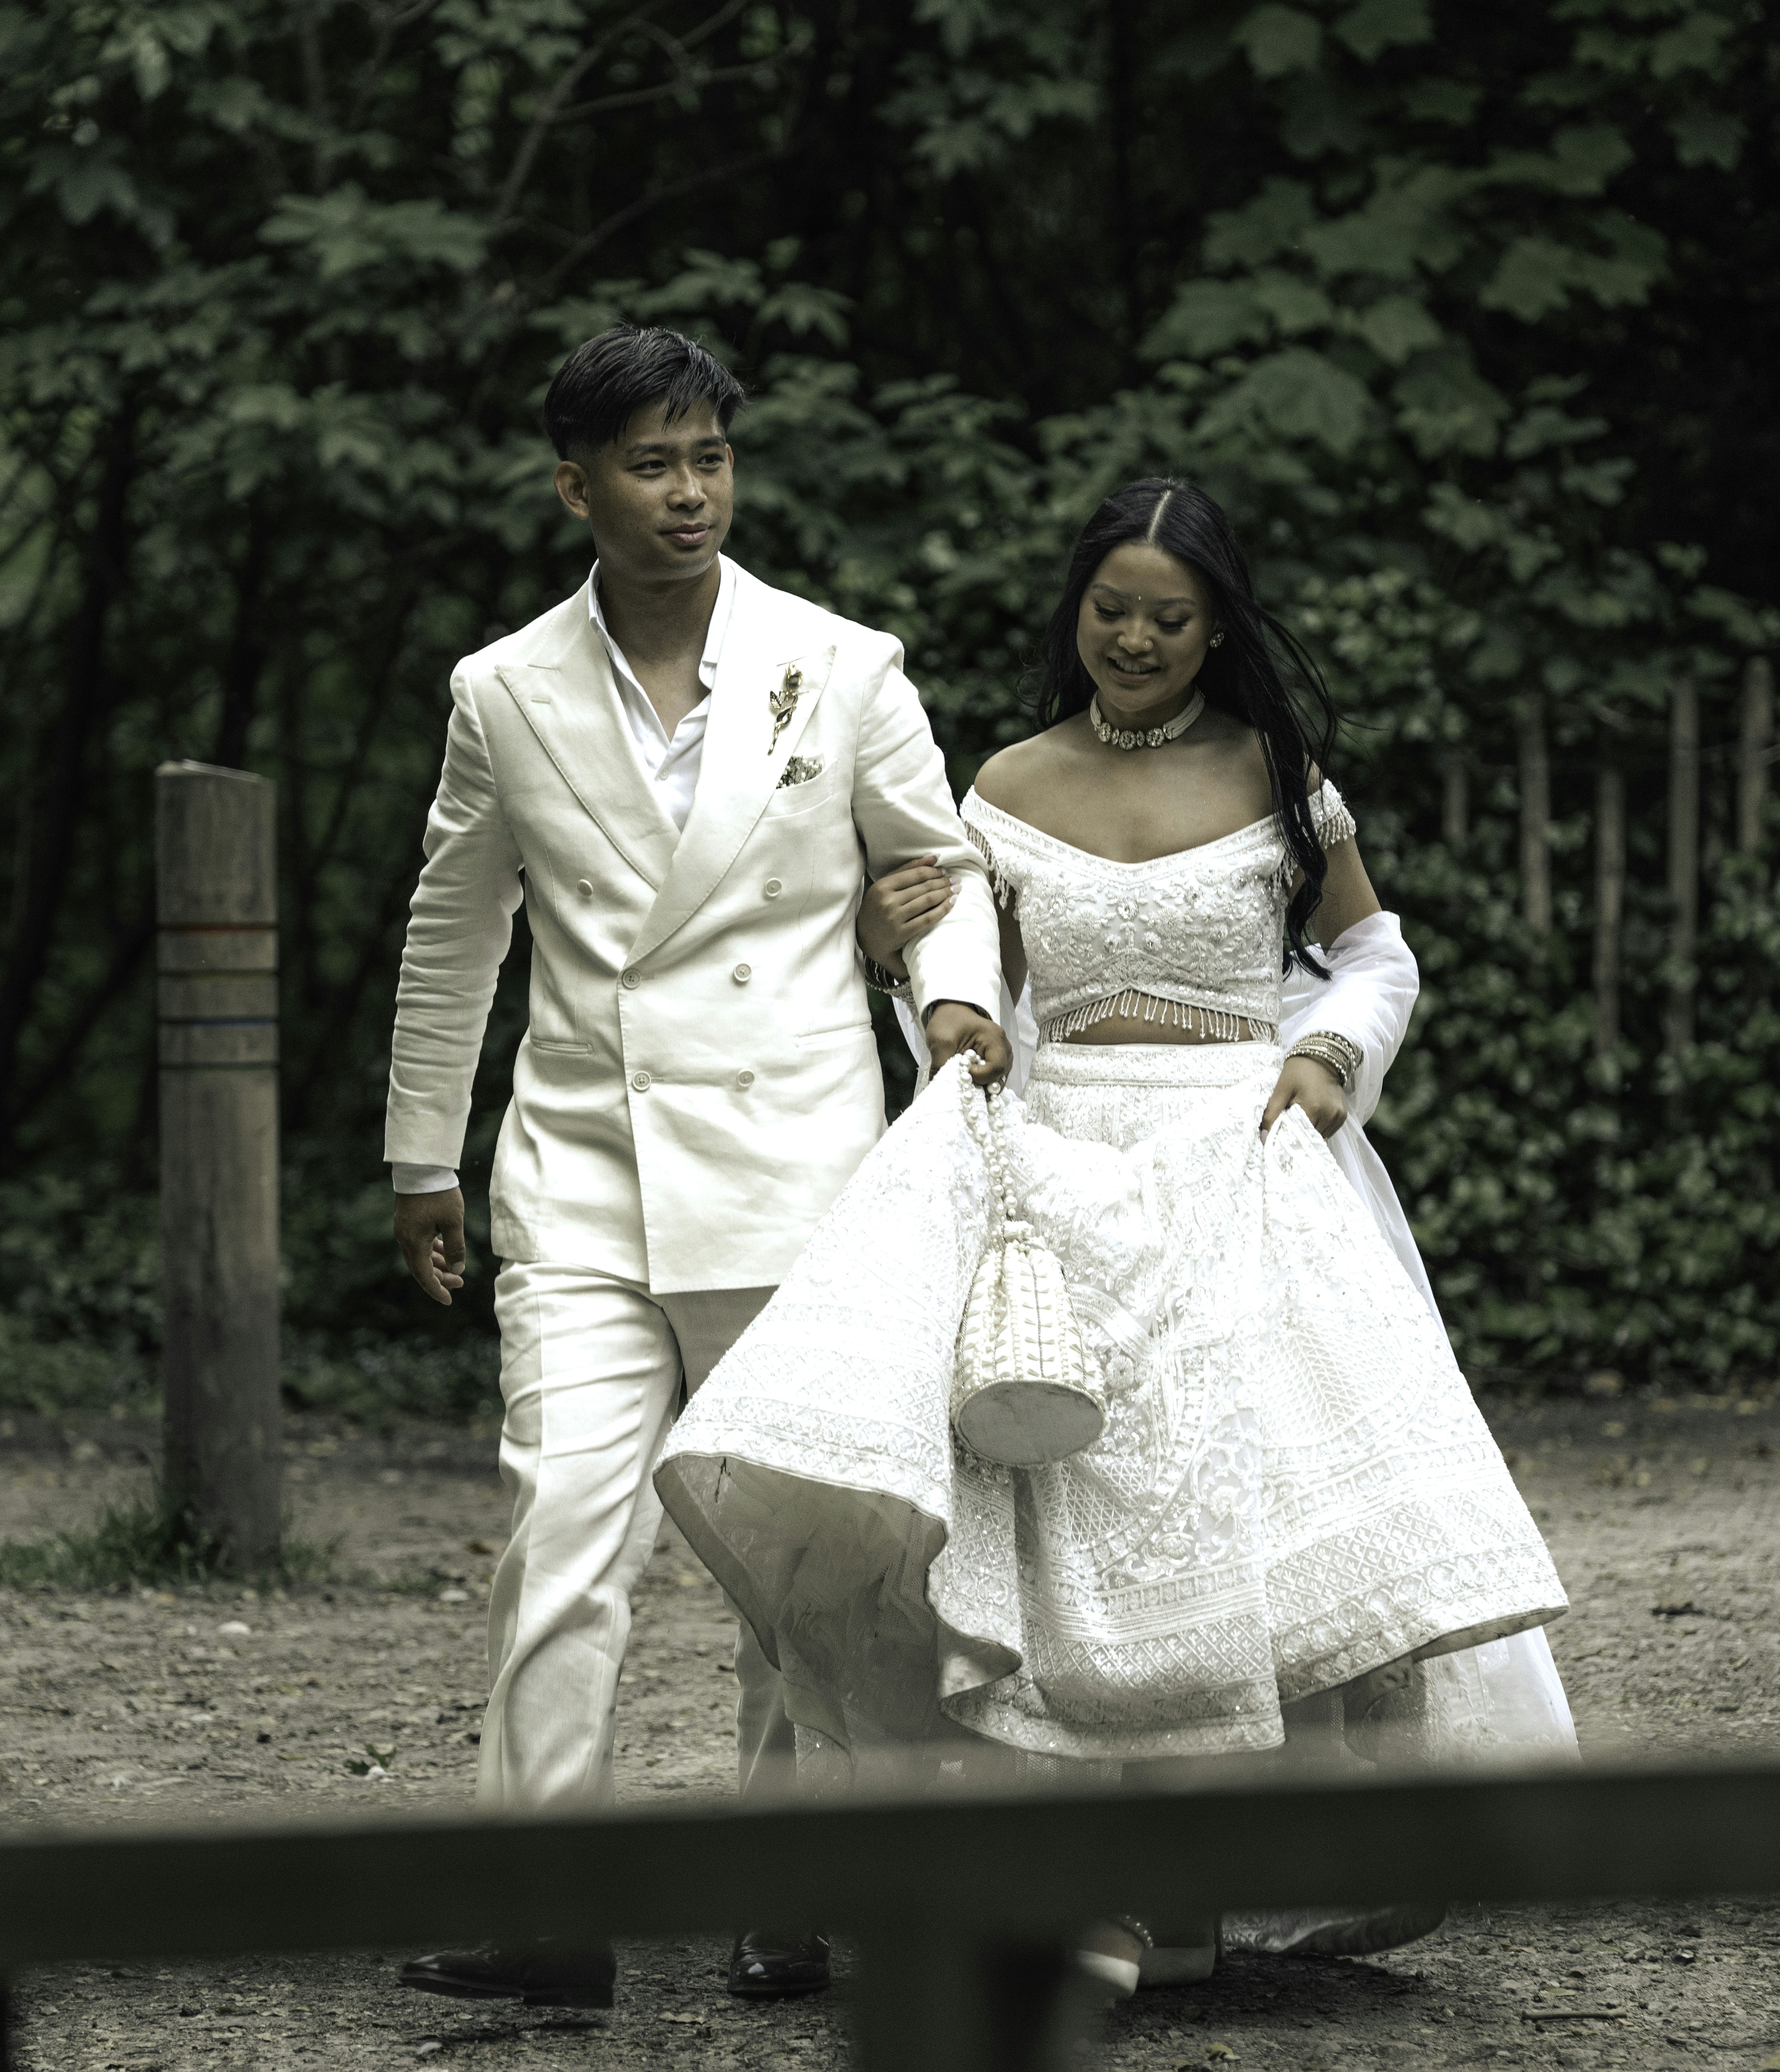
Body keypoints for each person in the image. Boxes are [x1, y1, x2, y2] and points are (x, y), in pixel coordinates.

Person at [653, 477, 1577, 1993]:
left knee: (1240, 1500)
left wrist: (1330, 1055)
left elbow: (1372, 949)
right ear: (1073, 607)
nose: (1134, 639)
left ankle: (1216, 1887)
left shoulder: (1285, 782)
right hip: (1064, 1163)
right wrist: (941, 998)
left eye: (1167, 617)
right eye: (1111, 610)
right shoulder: (1005, 781)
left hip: (1246, 1154)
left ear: (1216, 628)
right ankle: (1092, 1885)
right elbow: (967, 965)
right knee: (1067, 1516)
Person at [379, 323, 1012, 2011]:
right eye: (652, 463)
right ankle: (548, 1909)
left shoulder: (845, 662)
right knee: (560, 1523)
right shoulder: (501, 689)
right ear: (575, 484)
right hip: (583, 1162)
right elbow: (457, 934)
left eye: (711, 457)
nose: (690, 492)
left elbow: (937, 868)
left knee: (799, 1544)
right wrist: (418, 1151)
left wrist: (953, 1014)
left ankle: (787, 1894)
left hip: (796, 1155)